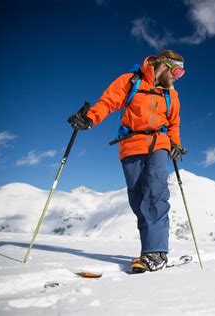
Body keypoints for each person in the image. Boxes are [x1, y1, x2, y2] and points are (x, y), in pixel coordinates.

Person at [68, 50, 187, 273]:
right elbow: (108, 103)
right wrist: (89, 118)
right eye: (177, 72)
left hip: (158, 144)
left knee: (155, 191)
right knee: (138, 197)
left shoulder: (172, 95)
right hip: (130, 145)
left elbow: (173, 124)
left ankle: (156, 252)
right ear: (164, 66)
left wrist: (175, 144)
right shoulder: (130, 81)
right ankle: (149, 250)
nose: (177, 78)